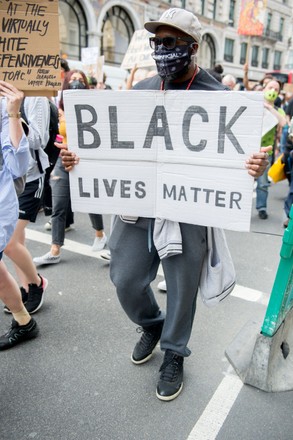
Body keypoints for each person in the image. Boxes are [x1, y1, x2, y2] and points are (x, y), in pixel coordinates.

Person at [61, 8, 270, 401]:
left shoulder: (222, 98)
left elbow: (243, 161)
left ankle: (174, 352)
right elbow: (112, 149)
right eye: (157, 42)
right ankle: (151, 324)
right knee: (124, 278)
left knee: (182, 286)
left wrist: (253, 166)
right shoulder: (140, 91)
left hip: (187, 209)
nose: (162, 50)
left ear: (193, 49)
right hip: (138, 207)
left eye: (171, 42)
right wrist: (80, 161)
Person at [33, 70, 107, 266]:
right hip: (63, 159)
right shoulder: (59, 109)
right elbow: (55, 134)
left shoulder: (93, 108)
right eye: (72, 79)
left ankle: (100, 233)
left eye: (80, 80)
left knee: (90, 200)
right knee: (59, 205)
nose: (76, 82)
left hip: (84, 159)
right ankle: (55, 249)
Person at [0, 80, 39, 349]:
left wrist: (14, 113)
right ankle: (24, 321)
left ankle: (27, 312)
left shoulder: (5, 109)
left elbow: (18, 165)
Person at [3, 92, 50, 314]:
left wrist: (14, 116)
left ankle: (36, 283)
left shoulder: (36, 97)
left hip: (30, 177)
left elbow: (40, 139)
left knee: (11, 243)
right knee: (15, 241)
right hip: (6, 182)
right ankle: (24, 287)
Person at [256, 79, 286, 219]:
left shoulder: (277, 110)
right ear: (264, 88)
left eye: (276, 89)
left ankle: (261, 207)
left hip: (265, 152)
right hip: (248, 148)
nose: (273, 91)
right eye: (270, 88)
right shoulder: (255, 104)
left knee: (262, 183)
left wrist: (269, 107)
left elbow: (284, 122)